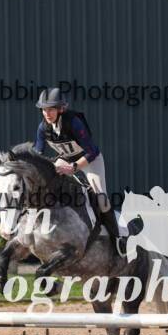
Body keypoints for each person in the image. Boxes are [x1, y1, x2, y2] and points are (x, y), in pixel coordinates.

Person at [34, 87, 126, 256]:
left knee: (101, 198)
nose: (47, 113)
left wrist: (75, 167)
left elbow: (92, 151)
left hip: (88, 160)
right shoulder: (42, 128)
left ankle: (118, 238)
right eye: (44, 109)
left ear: (61, 109)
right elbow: (37, 154)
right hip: (66, 159)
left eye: (51, 109)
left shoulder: (74, 122)